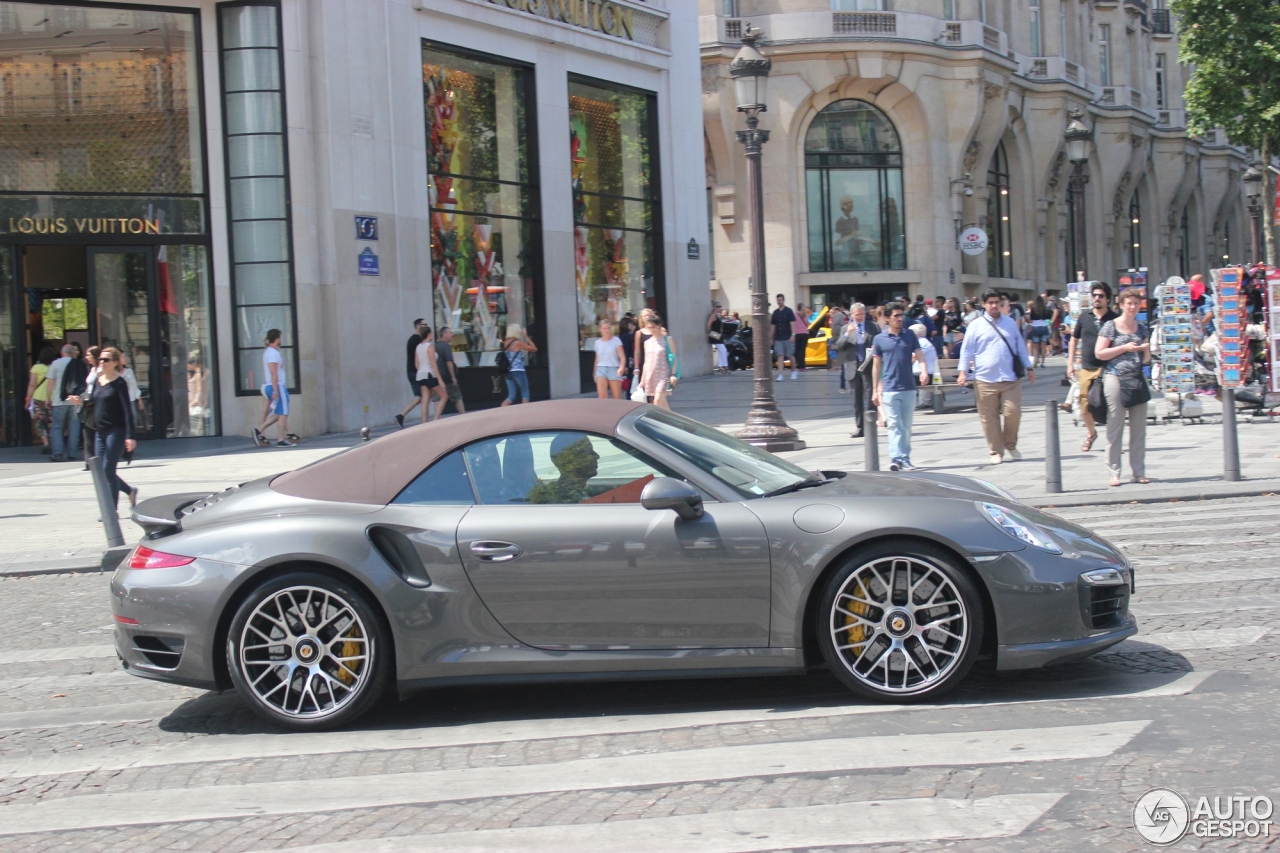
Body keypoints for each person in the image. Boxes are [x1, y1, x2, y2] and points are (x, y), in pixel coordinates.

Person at [957, 288, 1036, 464]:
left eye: (996, 302)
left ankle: (1010, 444)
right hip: (985, 379)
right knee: (989, 417)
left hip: (1010, 378)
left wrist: (1029, 368)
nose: (994, 306)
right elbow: (967, 349)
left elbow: (1020, 347)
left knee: (1013, 412)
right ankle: (995, 450)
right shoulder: (975, 326)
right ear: (984, 305)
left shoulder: (1009, 323)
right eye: (990, 303)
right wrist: (962, 372)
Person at [1095, 287, 1152, 487]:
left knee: (1139, 429)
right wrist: (1124, 348)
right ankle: (1114, 472)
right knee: (1115, 425)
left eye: (1136, 303)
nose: (1133, 307)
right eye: (1129, 303)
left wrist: (1146, 351)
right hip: (1115, 376)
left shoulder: (1142, 328)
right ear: (1121, 305)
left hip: (1135, 378)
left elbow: (1146, 359)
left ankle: (1138, 471)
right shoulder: (1111, 326)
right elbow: (1099, 353)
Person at [69, 347, 137, 508]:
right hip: (100, 431)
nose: (101, 362)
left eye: (106, 360)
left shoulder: (120, 383)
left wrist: (130, 436)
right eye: (100, 359)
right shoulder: (98, 380)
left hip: (116, 431)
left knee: (108, 470)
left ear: (114, 362)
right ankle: (129, 491)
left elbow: (128, 411)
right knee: (102, 471)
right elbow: (93, 400)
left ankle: (110, 511)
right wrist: (80, 401)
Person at [872, 304, 927, 471]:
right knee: (895, 424)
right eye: (896, 316)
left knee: (906, 426)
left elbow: (920, 355)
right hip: (889, 388)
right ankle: (897, 458)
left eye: (901, 315)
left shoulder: (909, 335)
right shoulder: (879, 339)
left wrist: (924, 371)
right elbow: (876, 366)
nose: (900, 319)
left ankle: (905, 458)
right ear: (888, 318)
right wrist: (875, 390)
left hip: (908, 387)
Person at [1067, 282, 1117, 453]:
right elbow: (1074, 340)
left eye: (1101, 296)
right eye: (1094, 295)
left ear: (1108, 299)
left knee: (1111, 405)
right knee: (1085, 406)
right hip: (1087, 368)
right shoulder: (1084, 317)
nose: (1097, 298)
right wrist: (1070, 364)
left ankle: (1113, 440)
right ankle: (1091, 433)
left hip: (1108, 368)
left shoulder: (1114, 318)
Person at [838, 303, 879, 437]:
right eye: (857, 314)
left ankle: (871, 427)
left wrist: (875, 348)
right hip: (853, 367)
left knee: (870, 397)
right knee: (857, 400)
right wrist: (847, 334)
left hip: (868, 366)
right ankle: (860, 428)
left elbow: (880, 342)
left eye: (862, 314)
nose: (860, 317)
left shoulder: (873, 326)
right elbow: (839, 346)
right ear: (851, 315)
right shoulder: (845, 328)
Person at [527, 433, 599, 504]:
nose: (597, 456)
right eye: (589, 453)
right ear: (570, 462)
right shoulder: (567, 498)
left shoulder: (575, 490)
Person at [253, 329, 295, 447]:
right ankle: (280, 440)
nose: (281, 340)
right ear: (277, 338)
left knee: (280, 413)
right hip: (276, 386)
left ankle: (259, 431)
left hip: (273, 385)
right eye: (280, 338)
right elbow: (273, 373)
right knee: (283, 413)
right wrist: (276, 390)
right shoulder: (272, 353)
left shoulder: (270, 352)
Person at [46, 344, 84, 462]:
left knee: (57, 427)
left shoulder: (56, 364)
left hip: (59, 400)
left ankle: (57, 453)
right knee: (74, 426)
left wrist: (48, 398)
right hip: (75, 400)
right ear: (73, 353)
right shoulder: (79, 364)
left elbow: (50, 383)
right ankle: (72, 453)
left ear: (62, 352)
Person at [394, 319, 427, 429]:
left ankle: (401, 416)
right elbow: (419, 358)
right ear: (418, 326)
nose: (426, 326)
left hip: (412, 371)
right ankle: (402, 416)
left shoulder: (412, 339)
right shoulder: (417, 340)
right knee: (422, 397)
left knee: (420, 397)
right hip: (416, 372)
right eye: (424, 324)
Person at [640, 313, 675, 409]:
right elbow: (646, 363)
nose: (651, 330)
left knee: (657, 401)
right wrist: (642, 380)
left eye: (653, 327)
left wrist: (673, 374)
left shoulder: (667, 340)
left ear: (659, 325)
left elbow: (674, 358)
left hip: (663, 375)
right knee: (663, 406)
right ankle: (672, 422)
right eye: (649, 327)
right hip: (651, 375)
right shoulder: (647, 343)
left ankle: (655, 422)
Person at [25, 346, 54, 454]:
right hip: (52, 398)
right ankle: (54, 442)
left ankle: (45, 443)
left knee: (39, 421)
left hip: (38, 398)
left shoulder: (36, 368)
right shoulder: (54, 367)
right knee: (51, 421)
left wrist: (28, 399)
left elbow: (32, 384)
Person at [500, 323, 537, 406]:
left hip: (508, 372)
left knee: (511, 396)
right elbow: (534, 349)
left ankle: (502, 412)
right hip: (518, 371)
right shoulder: (517, 343)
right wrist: (526, 336)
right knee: (525, 394)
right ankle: (524, 415)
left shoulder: (506, 342)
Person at [436, 326, 465, 415]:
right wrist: (453, 377)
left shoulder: (435, 346)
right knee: (456, 396)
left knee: (438, 398)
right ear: (444, 334)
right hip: (447, 376)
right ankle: (463, 415)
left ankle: (436, 418)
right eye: (450, 333)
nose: (452, 335)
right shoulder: (446, 347)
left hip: (437, 377)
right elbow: (449, 362)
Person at [593, 320, 626, 399]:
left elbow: (622, 357)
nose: (607, 330)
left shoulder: (616, 340)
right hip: (601, 368)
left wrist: (621, 368)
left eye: (608, 328)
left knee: (616, 397)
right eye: (604, 328)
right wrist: (594, 372)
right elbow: (597, 359)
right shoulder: (597, 343)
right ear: (600, 329)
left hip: (613, 367)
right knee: (602, 396)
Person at [909, 322, 938, 408]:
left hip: (926, 374)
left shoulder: (922, 342)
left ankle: (917, 403)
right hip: (923, 373)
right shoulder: (923, 342)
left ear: (917, 334)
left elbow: (914, 357)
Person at [771, 294, 797, 380]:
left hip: (788, 336)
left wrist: (793, 335)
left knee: (790, 355)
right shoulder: (775, 313)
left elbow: (792, 323)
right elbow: (773, 326)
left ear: (783, 300)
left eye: (780, 300)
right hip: (778, 337)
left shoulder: (789, 311)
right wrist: (771, 337)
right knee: (780, 355)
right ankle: (780, 374)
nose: (779, 302)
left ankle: (793, 371)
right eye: (778, 300)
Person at [1028, 295, 1052, 368]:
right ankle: (1042, 363)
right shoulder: (1046, 309)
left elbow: (1031, 319)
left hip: (1035, 327)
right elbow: (1049, 317)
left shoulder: (1033, 309)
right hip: (1044, 327)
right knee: (1043, 346)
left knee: (1035, 346)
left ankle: (1035, 361)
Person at [707, 303, 729, 375]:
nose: (720, 308)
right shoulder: (713, 315)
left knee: (721, 351)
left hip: (719, 336)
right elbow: (708, 324)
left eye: (720, 306)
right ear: (714, 308)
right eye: (718, 307)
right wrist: (710, 332)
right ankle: (725, 366)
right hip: (715, 335)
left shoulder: (718, 315)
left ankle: (720, 367)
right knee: (724, 350)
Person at [792, 304, 811, 372]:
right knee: (803, 351)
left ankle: (799, 365)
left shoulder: (794, 315)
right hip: (805, 334)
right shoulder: (806, 315)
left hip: (797, 334)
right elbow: (808, 324)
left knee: (797, 350)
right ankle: (803, 366)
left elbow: (792, 324)